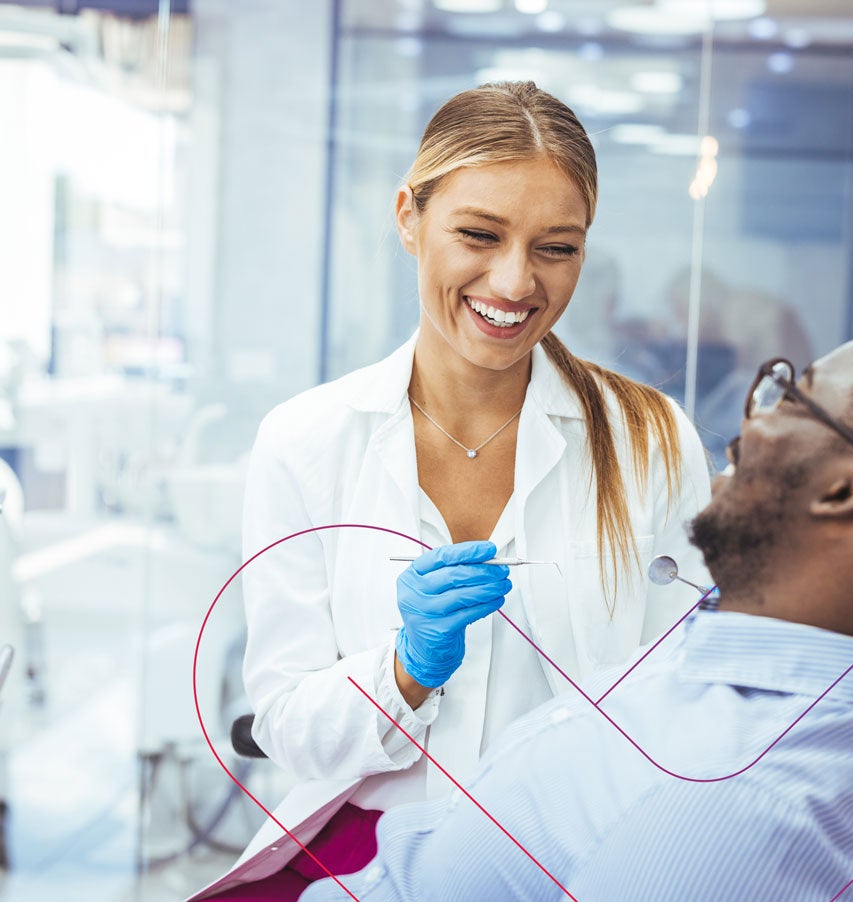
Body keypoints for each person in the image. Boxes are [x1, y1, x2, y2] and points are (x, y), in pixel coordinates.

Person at [298, 300, 853, 901]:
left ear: (849, 488)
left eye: (791, 397)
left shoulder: (733, 808)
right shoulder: (729, 657)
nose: (748, 424)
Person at [192, 82, 712, 900]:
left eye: (556, 247)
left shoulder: (649, 438)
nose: (514, 281)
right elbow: (288, 729)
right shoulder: (307, 442)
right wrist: (404, 670)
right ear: (409, 218)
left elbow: (690, 698)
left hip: (574, 862)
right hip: (366, 857)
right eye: (479, 235)